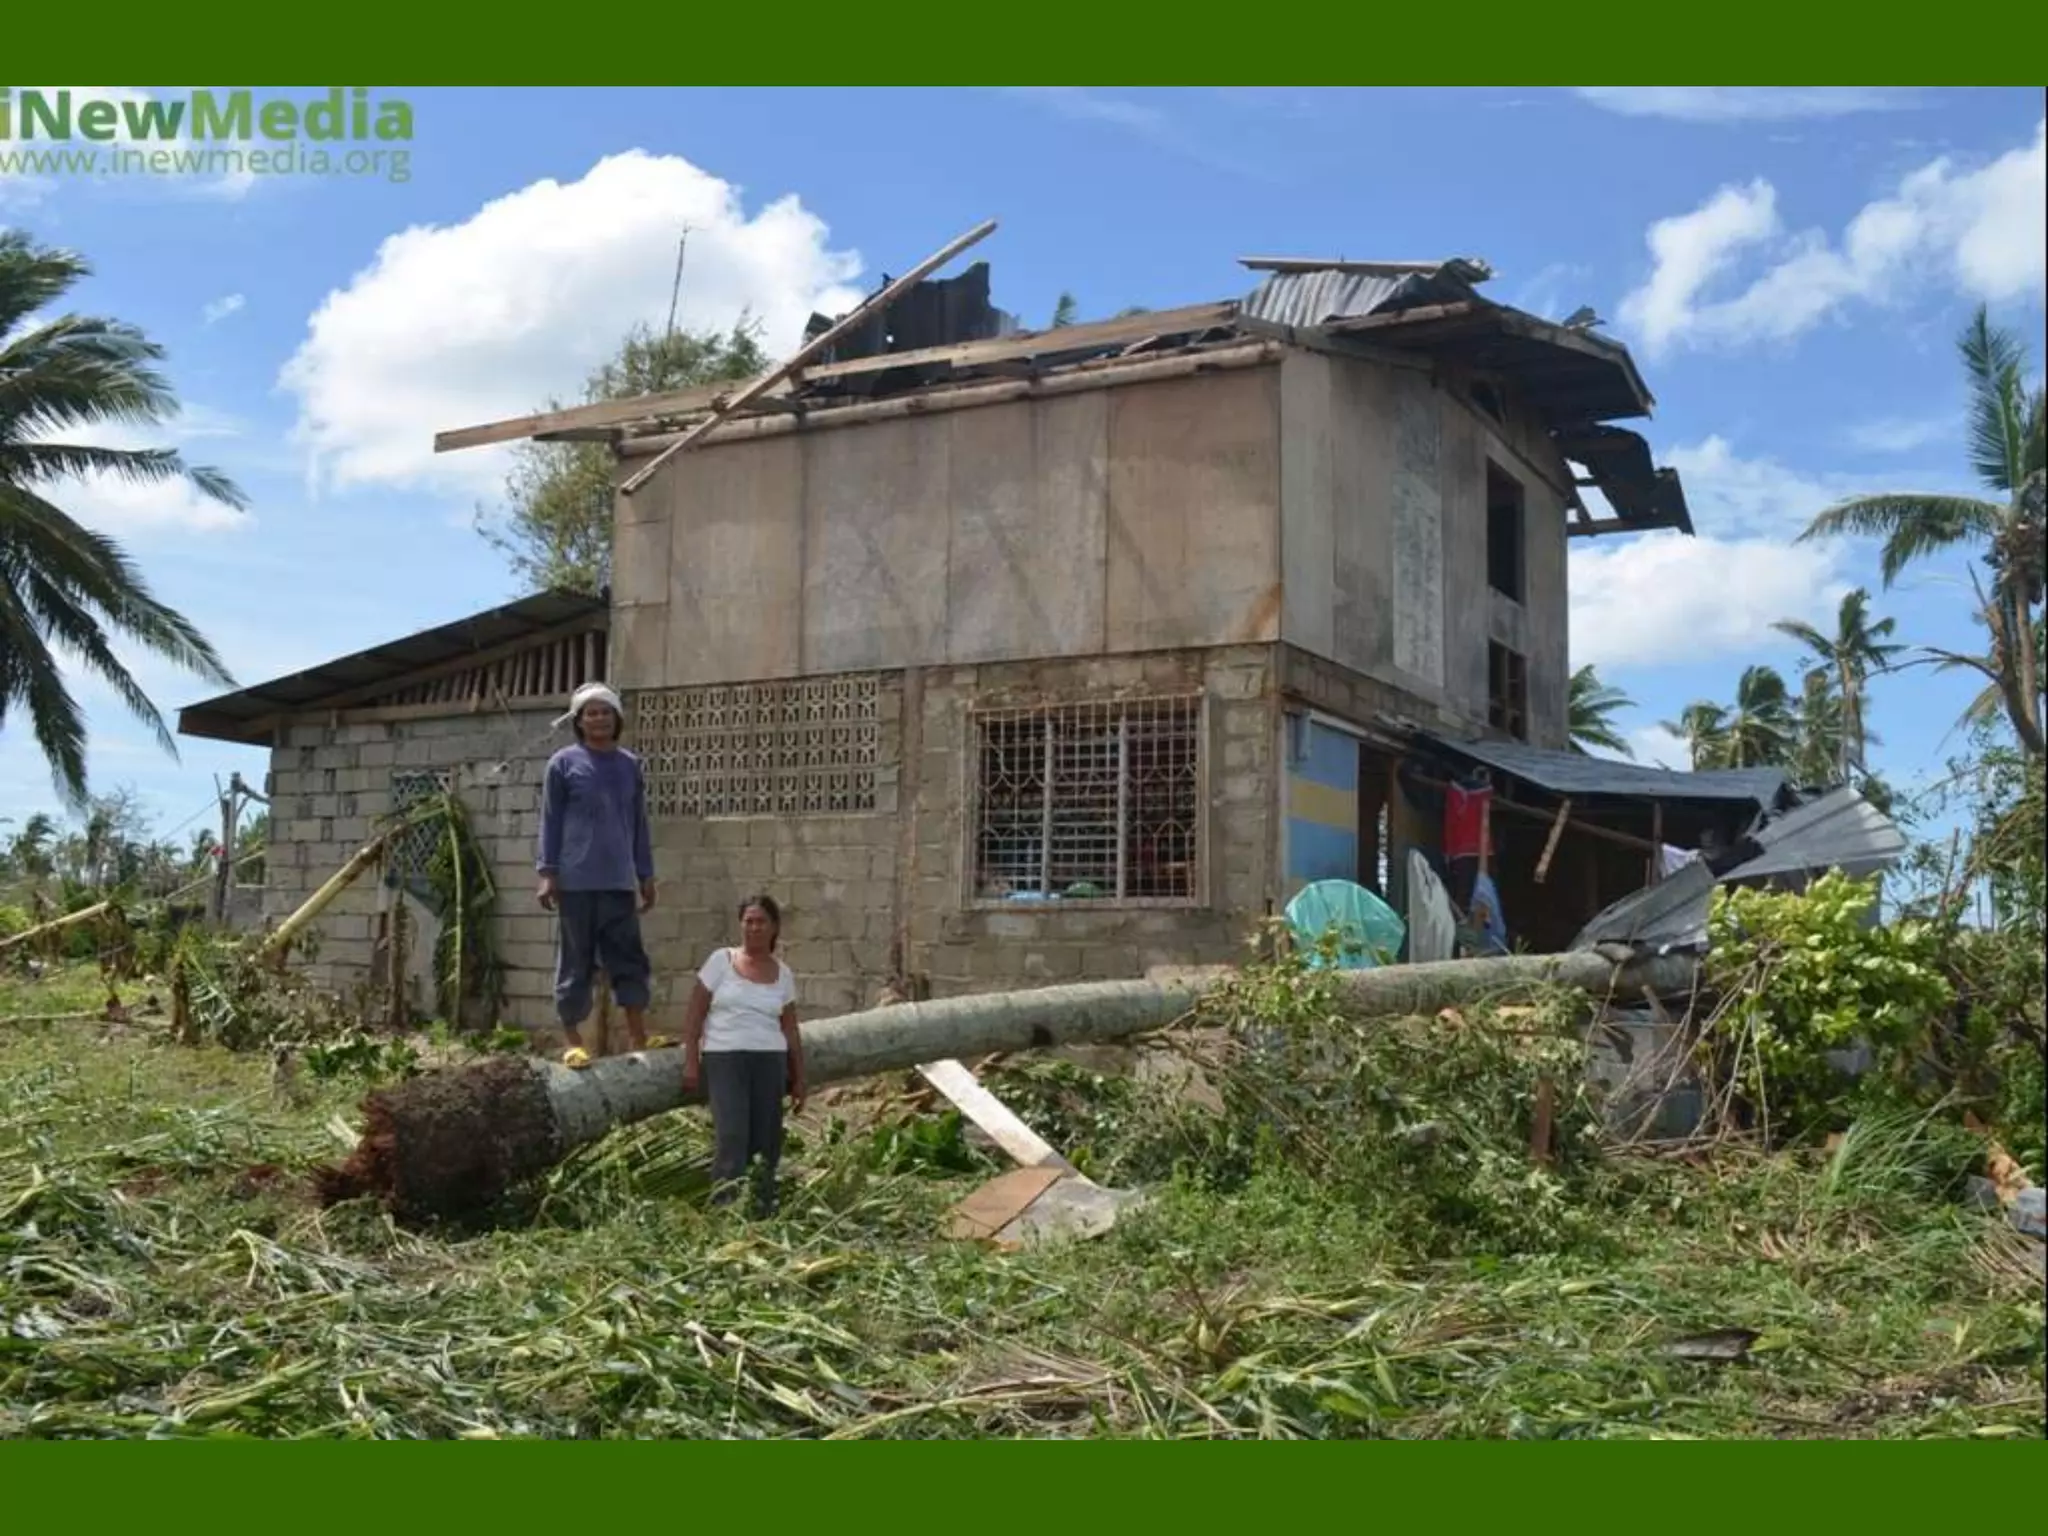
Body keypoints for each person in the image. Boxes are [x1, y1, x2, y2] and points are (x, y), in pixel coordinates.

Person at [537, 682, 658, 1065]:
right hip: (576, 882)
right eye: (590, 713)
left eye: (605, 712)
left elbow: (638, 824)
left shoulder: (629, 765)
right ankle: (574, 1041)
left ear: (616, 718)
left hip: (619, 881)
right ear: (579, 721)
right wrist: (547, 872)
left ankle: (639, 1036)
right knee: (577, 962)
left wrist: (645, 873)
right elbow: (550, 822)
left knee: (628, 959)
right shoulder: (563, 764)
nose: (599, 719)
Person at [680, 895, 807, 1216]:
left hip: (769, 1061)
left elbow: (791, 1030)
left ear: (774, 927)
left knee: (766, 1140)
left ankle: (761, 1209)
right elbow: (695, 1015)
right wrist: (691, 1062)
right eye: (748, 921)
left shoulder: (783, 974)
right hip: (725, 1059)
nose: (753, 927)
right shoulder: (720, 962)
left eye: (760, 921)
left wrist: (800, 1078)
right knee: (732, 1135)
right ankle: (725, 1211)